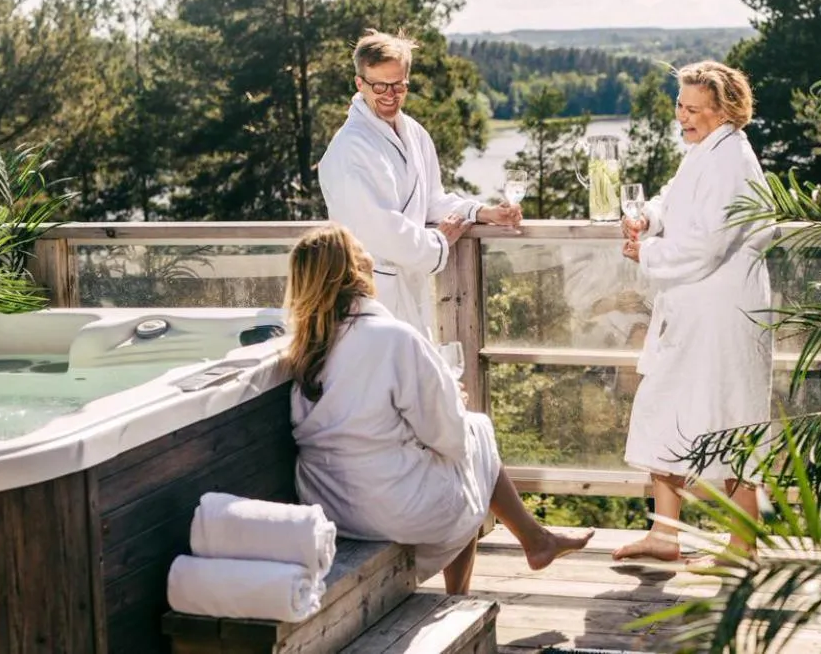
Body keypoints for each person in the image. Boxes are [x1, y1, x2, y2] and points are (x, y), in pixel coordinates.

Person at [286, 223, 594, 593]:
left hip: (328, 503)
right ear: (357, 269)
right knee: (474, 439)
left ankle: (535, 540)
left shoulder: (305, 347)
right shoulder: (393, 338)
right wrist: (452, 403)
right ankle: (477, 582)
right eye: (361, 249)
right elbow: (449, 437)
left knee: (467, 448)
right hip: (384, 509)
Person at [612, 60, 773, 563]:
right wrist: (649, 217)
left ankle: (742, 545)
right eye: (680, 105)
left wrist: (647, 253)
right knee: (665, 408)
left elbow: (708, 244)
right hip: (695, 311)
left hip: (722, 316)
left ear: (725, 111)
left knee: (730, 417)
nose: (682, 116)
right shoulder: (708, 151)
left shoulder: (732, 161)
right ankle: (665, 535)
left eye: (694, 109)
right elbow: (675, 201)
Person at [317, 30, 521, 340]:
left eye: (398, 85)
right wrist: (437, 241)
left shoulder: (413, 132)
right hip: (367, 295)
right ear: (360, 84)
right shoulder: (351, 148)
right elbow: (381, 229)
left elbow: (431, 200)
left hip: (409, 286)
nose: (390, 95)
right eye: (379, 86)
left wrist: (483, 213)